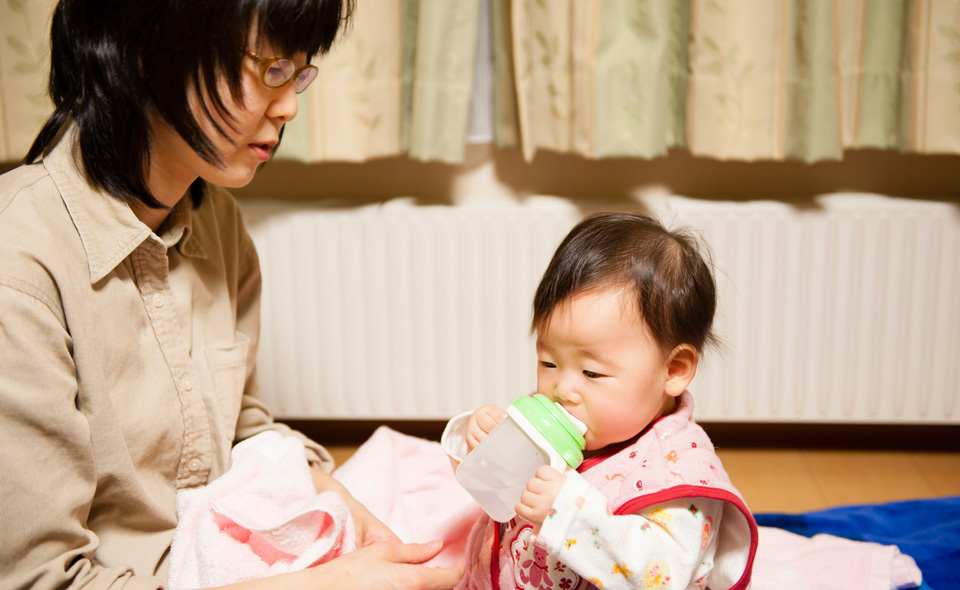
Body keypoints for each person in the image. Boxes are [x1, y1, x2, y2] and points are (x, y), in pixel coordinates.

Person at [0, 1, 463, 589]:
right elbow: (42, 580)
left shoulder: (217, 223)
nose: (291, 104)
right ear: (146, 55)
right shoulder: (18, 266)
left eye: (300, 74)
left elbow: (238, 426)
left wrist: (342, 502)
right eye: (271, 70)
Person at [450, 214, 759, 590]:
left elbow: (660, 578)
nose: (562, 388)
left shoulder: (678, 474)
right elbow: (488, 485)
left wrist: (570, 514)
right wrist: (476, 438)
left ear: (674, 369)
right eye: (548, 362)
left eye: (592, 373)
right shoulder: (567, 411)